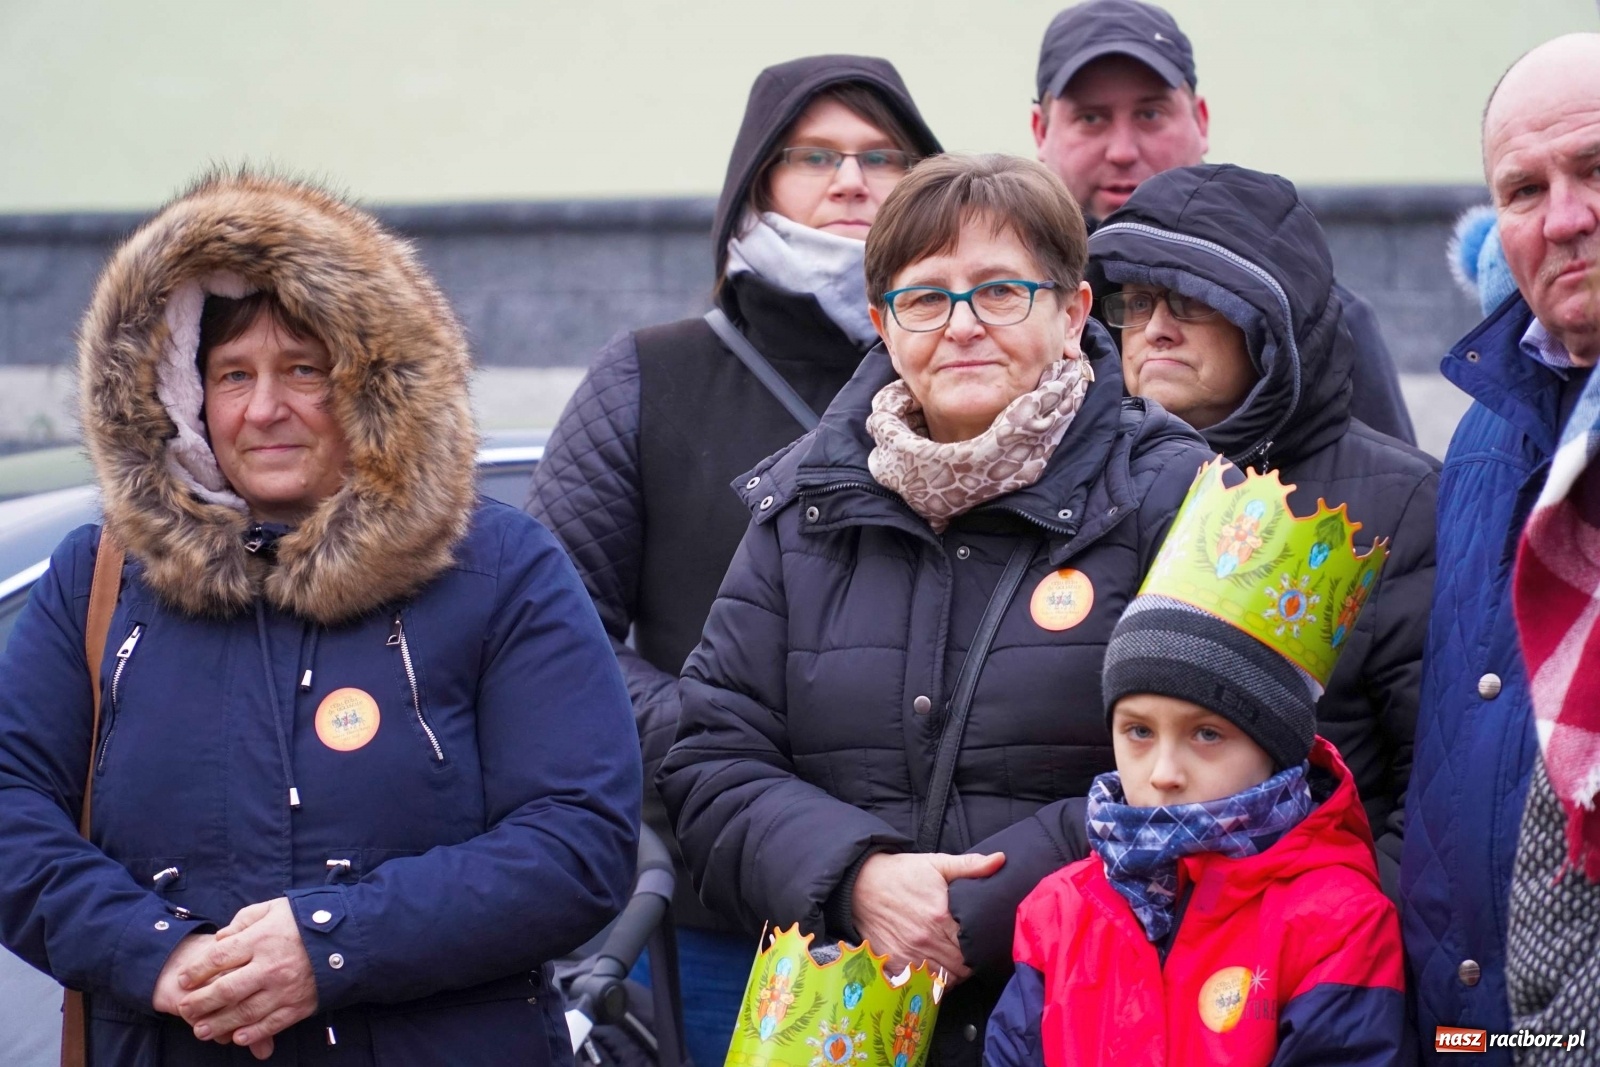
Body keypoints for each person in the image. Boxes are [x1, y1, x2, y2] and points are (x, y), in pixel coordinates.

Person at [0, 173, 641, 1065]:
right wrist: (158, 953)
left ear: (374, 387)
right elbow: (11, 804)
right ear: (182, 399)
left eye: (303, 369)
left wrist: (333, 942)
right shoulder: (100, 578)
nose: (265, 408)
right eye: (233, 375)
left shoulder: (498, 568)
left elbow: (578, 837)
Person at [659, 153, 1213, 1065]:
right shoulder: (804, 507)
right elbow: (709, 759)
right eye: (924, 298)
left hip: (1096, 1013)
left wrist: (975, 908)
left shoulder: (1176, 493)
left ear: (1072, 311)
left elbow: (1225, 767)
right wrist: (857, 878)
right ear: (883, 323)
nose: (961, 325)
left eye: (999, 291)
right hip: (850, 1025)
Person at [526, 53, 940, 1067]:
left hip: (946, 903)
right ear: (757, 182)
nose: (852, 180)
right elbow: (553, 635)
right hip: (722, 915)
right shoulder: (650, 374)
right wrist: (724, 748)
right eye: (816, 156)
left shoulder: (978, 367)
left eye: (882, 156)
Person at [1088, 163, 1439, 896]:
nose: (1155, 328)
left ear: (1270, 326)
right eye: (1138, 302)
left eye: (1191, 301)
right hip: (1107, 932)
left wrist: (1340, 932)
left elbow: (1437, 779)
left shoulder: (1404, 501)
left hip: (1319, 931)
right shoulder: (1079, 482)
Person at [985, 459, 1404, 1066]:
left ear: (1275, 747)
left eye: (1207, 734)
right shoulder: (1058, 910)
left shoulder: (1337, 923)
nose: (1163, 772)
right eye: (1138, 732)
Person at [1402, 32, 1600, 1063]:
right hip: (1471, 1023)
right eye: (1525, 189)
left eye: (1596, 169)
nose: (1564, 218)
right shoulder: (1485, 424)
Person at [1029, 0, 1419, 447]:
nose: (1122, 150)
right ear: (1040, 131)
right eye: (1091, 118)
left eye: (1150, 114)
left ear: (1201, 120)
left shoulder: (1312, 325)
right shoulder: (1005, 312)